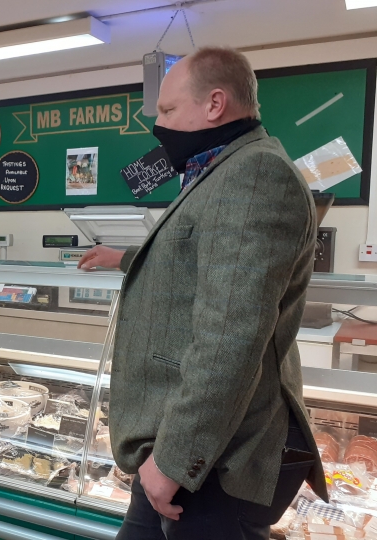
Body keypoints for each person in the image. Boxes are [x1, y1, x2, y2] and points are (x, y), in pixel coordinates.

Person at [78, 47, 328, 539]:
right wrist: (124, 257)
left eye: (168, 110)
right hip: (186, 448)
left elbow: (229, 336)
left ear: (215, 104)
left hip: (216, 461)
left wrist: (172, 460)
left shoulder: (255, 176)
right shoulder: (221, 169)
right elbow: (200, 264)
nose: (159, 124)